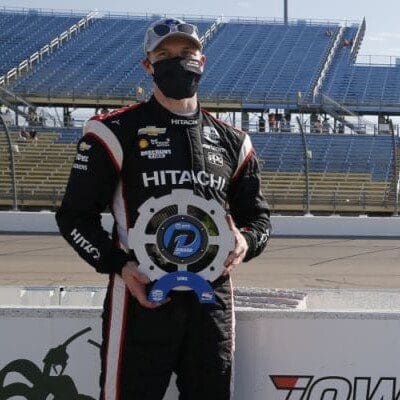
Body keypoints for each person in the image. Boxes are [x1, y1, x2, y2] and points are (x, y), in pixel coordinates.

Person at [54, 17, 270, 400]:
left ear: (202, 61)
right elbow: (74, 217)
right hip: (140, 299)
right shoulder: (114, 131)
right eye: (164, 55)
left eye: (186, 53)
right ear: (147, 65)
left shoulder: (234, 141)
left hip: (211, 303)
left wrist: (245, 242)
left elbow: (259, 220)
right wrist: (118, 265)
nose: (178, 62)